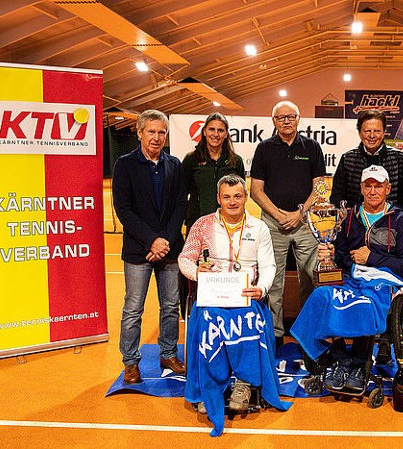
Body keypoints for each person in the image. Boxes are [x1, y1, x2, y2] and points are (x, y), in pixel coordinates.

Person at [178, 174, 290, 436]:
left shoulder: (258, 227)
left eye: (238, 196)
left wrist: (262, 288)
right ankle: (210, 387)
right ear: (218, 198)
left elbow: (269, 265)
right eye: (227, 197)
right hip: (212, 295)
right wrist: (197, 272)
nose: (232, 202)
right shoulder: (203, 225)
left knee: (248, 319)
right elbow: (185, 259)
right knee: (208, 321)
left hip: (245, 295)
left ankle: (243, 383)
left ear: (245, 197)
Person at [293, 165, 403, 392]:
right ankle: (339, 359)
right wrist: (329, 255)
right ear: (361, 188)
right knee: (322, 295)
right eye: (368, 186)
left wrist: (371, 258)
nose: (372, 191)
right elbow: (341, 258)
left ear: (388, 189)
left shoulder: (401, 220)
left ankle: (359, 363)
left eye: (378, 186)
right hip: (353, 278)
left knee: (363, 303)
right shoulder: (348, 218)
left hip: (386, 282)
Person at [112, 109, 187, 384]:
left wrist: (165, 241)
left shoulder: (175, 164)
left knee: (170, 306)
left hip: (169, 249)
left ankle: (168, 354)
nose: (157, 137)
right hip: (138, 250)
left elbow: (180, 205)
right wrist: (151, 240)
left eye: (161, 132)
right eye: (151, 131)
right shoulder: (124, 165)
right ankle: (131, 362)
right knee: (133, 308)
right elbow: (124, 209)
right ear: (140, 133)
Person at [250, 101, 326, 344]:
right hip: (273, 224)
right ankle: (274, 333)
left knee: (311, 277)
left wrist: (299, 214)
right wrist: (278, 215)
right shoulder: (264, 149)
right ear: (273, 121)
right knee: (273, 280)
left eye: (291, 116)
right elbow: (256, 190)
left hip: (305, 223)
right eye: (281, 117)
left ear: (298, 118)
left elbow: (320, 188)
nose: (286, 121)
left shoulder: (312, 147)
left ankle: (307, 331)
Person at [330, 109, 403, 216]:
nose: (372, 135)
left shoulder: (400, 159)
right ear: (359, 133)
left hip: (391, 222)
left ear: (384, 132)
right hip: (355, 221)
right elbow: (337, 196)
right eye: (367, 131)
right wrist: (342, 215)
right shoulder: (347, 159)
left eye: (377, 131)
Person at [182, 113, 245, 229]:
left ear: (226, 134)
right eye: (211, 129)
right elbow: (181, 195)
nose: (216, 134)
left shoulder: (236, 161)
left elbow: (241, 195)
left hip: (229, 224)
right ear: (204, 131)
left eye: (220, 130)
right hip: (198, 224)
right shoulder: (191, 159)